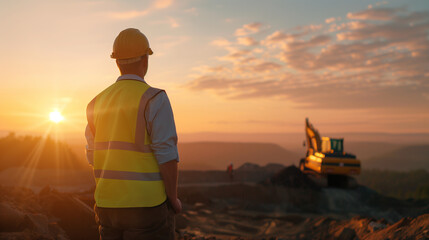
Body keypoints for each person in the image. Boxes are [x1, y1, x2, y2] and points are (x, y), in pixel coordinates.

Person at [85, 28, 181, 240]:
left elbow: (92, 156)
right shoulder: (155, 99)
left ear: (117, 62)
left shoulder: (95, 103)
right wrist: (173, 199)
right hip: (146, 208)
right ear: (145, 60)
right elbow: (167, 155)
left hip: (106, 207)